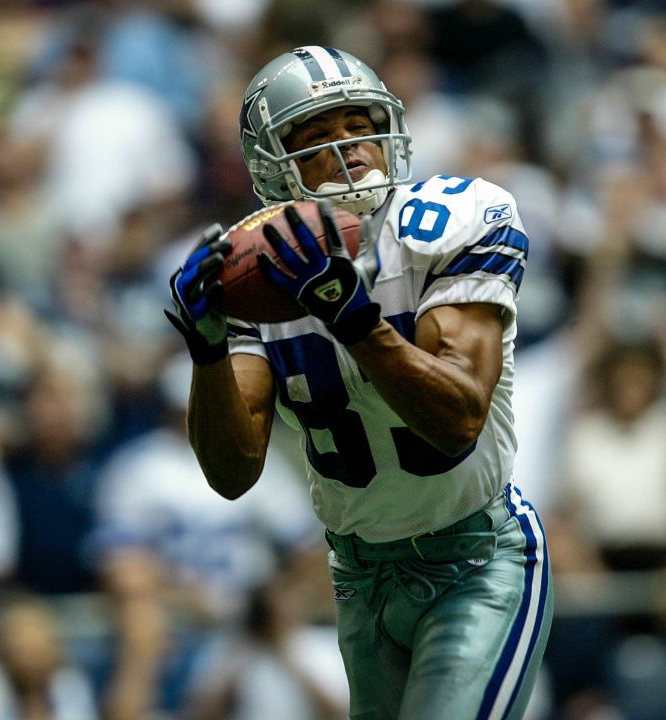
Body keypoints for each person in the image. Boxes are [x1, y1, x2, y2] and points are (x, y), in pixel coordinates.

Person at [164, 46, 551, 720]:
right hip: (359, 576)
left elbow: (458, 420)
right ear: (271, 167)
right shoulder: (259, 275)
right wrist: (208, 349)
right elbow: (231, 472)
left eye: (359, 124)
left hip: (477, 559)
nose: (351, 150)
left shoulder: (455, 219)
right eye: (316, 138)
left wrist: (352, 318)